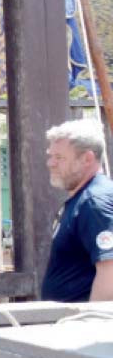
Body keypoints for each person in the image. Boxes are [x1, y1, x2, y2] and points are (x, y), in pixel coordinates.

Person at [43, 118, 113, 302]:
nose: (50, 163)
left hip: (84, 326)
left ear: (87, 159)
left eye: (59, 157)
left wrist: (90, 325)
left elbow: (110, 272)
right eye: (50, 156)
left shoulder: (94, 202)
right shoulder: (82, 200)